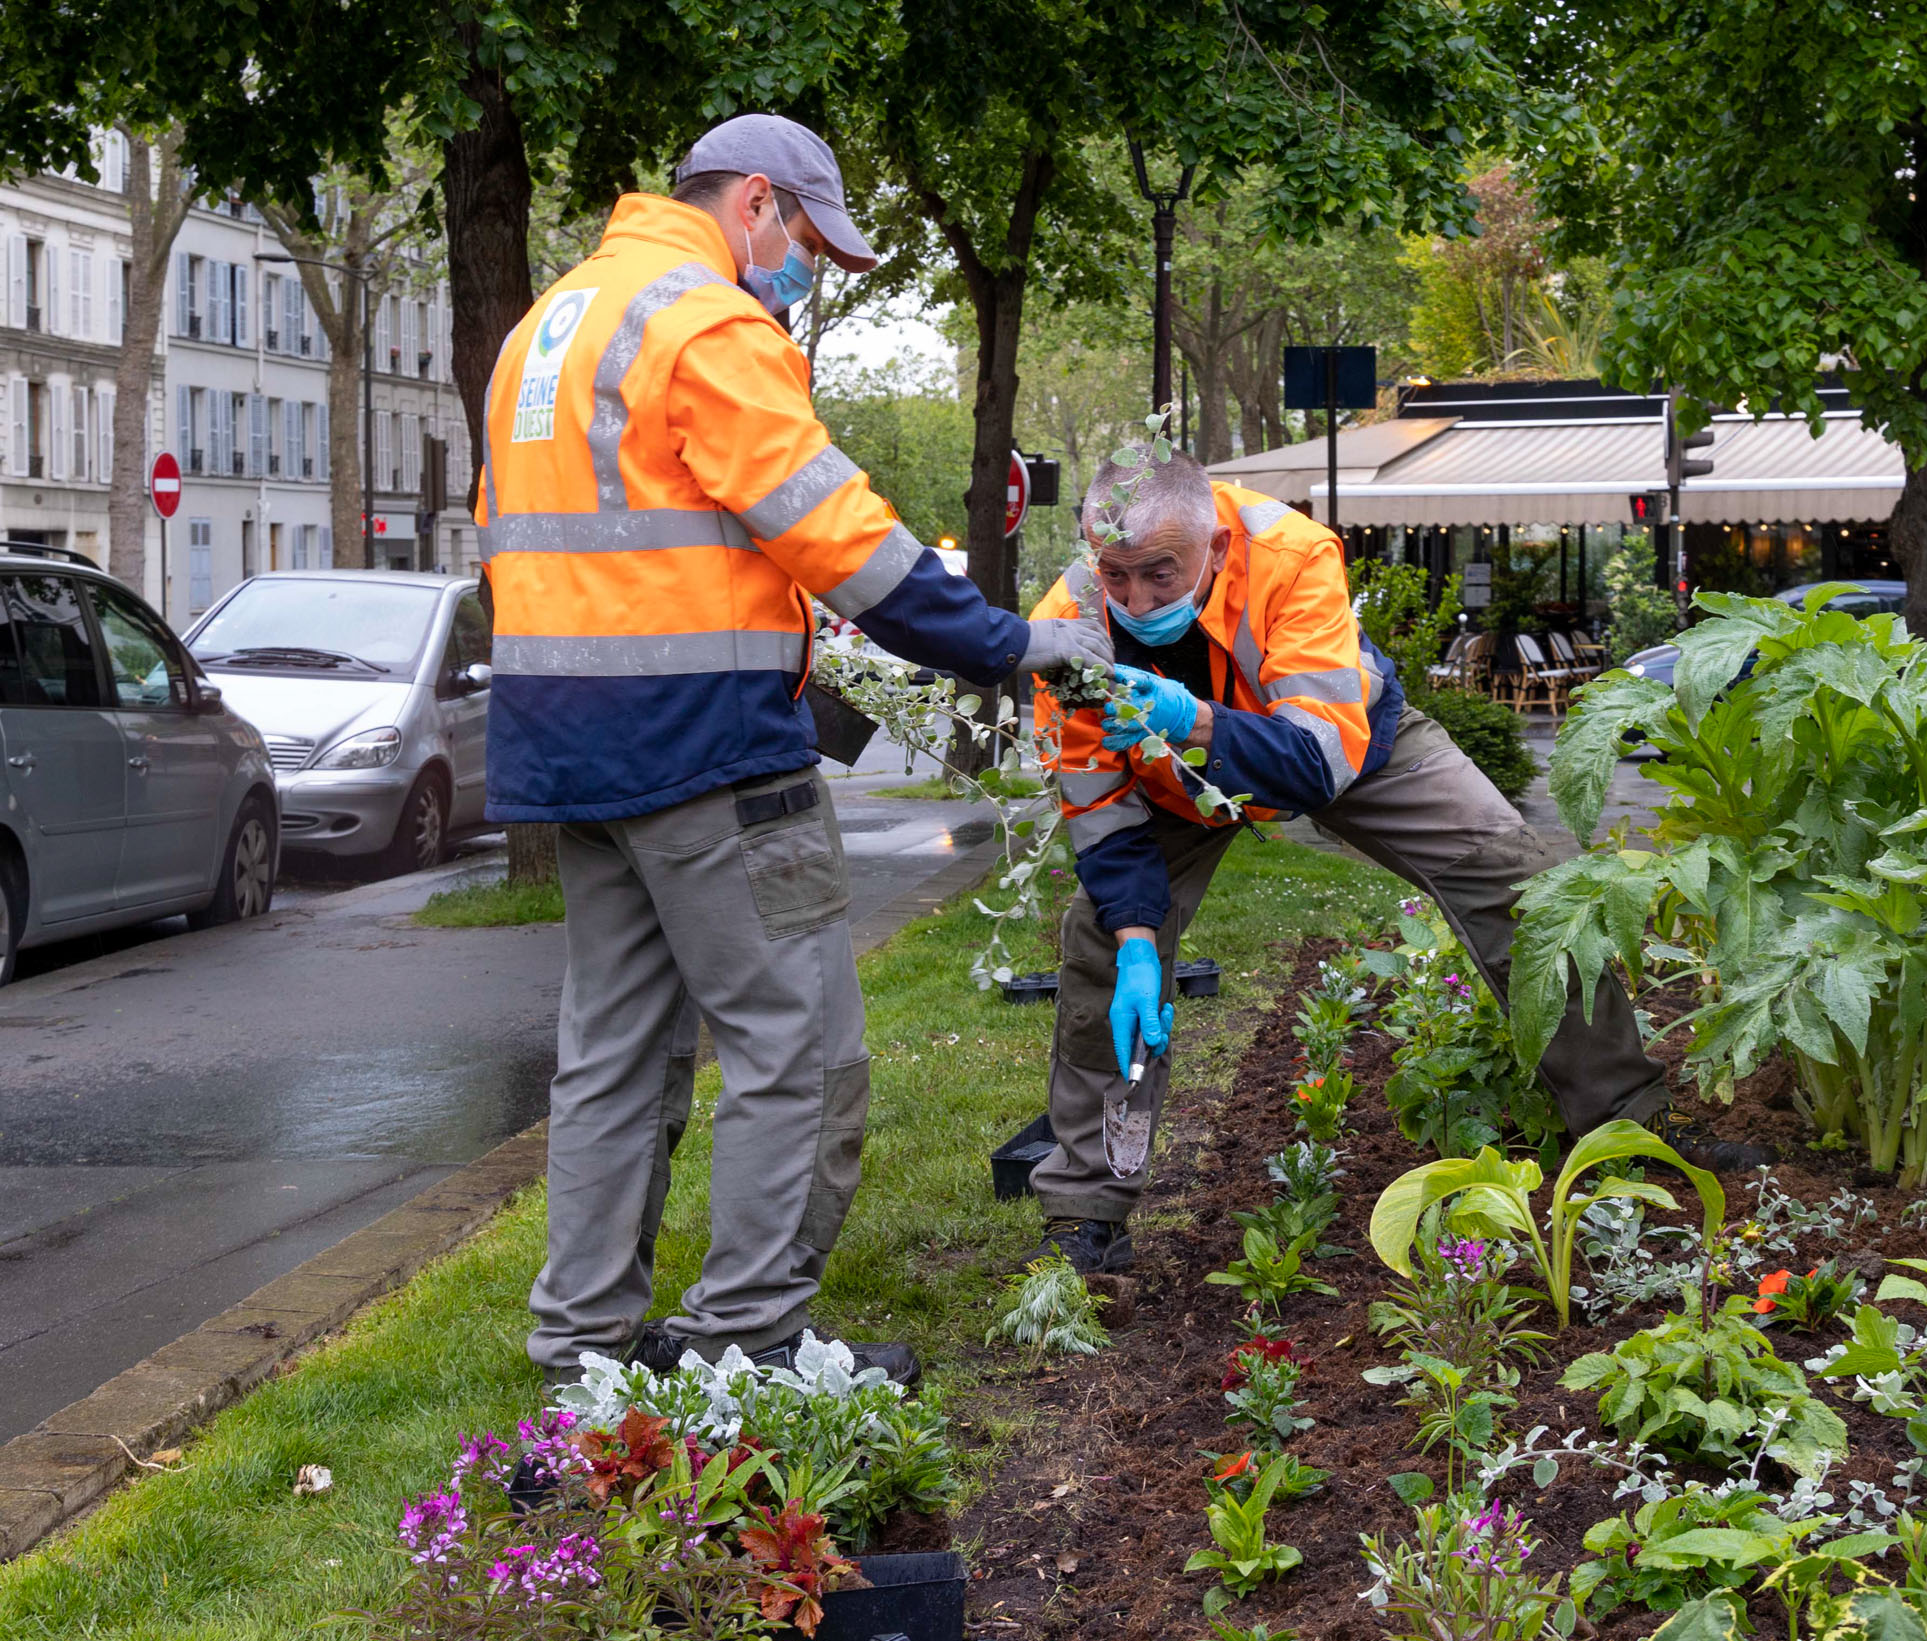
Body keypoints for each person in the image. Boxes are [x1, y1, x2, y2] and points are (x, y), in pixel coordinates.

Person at [477, 114, 1110, 1386]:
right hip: (706, 749)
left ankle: (582, 1347)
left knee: (612, 1055)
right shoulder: (705, 322)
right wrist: (1003, 643)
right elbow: (841, 537)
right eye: (810, 243)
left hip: (563, 749)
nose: (803, 274)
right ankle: (750, 1338)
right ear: (755, 203)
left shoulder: (549, 324)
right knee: (800, 1049)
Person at [1017, 451, 1722, 1277]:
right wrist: (1138, 935)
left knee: (1516, 880)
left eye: (1159, 576)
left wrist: (1198, 719)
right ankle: (1085, 1212)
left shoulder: (1291, 553)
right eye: (1115, 576)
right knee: (1102, 944)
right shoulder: (1064, 626)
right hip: (1172, 785)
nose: (1133, 603)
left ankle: (1626, 1127)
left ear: (1212, 547)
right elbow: (1103, 813)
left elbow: (1318, 763)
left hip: (1337, 742)